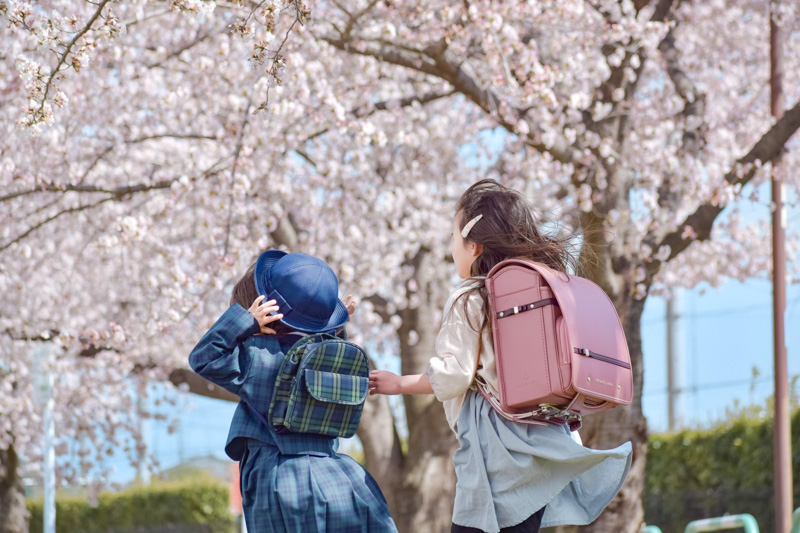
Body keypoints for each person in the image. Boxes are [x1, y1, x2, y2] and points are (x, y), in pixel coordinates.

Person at [369, 180, 632, 533]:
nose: (450, 246)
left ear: (473, 246)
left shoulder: (470, 298)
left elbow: (452, 376)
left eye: (452, 236)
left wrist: (399, 383)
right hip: (542, 441)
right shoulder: (539, 289)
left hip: (497, 453)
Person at [189, 249, 398, 533]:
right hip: (341, 479)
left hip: (281, 483)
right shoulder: (333, 360)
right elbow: (322, 361)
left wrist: (245, 320)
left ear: (264, 309)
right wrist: (335, 331)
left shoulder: (258, 358)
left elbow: (204, 357)